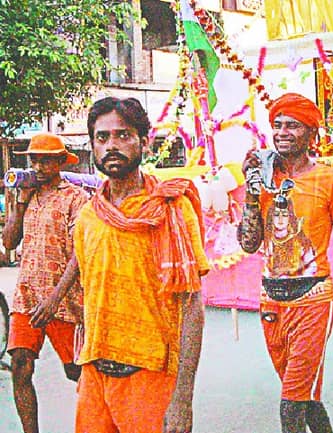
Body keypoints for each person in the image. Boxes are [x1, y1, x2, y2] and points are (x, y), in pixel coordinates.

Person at [238, 92, 333, 433]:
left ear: (312, 134)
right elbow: (248, 244)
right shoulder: (263, 178)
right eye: (277, 125)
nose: (282, 132)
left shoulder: (331, 180)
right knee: (307, 400)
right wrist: (252, 193)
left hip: (313, 301)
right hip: (271, 302)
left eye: (293, 126)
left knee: (290, 406)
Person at [72, 96, 210, 433]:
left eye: (123, 135)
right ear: (92, 146)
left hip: (151, 375)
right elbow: (88, 293)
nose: (112, 145)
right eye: (102, 137)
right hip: (94, 375)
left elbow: (192, 304)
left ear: (144, 142)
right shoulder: (88, 216)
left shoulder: (172, 209)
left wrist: (183, 398)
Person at [2, 132, 88, 433]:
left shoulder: (76, 198)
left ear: (61, 162)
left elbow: (80, 253)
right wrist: (20, 202)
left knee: (77, 371)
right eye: (34, 160)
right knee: (20, 365)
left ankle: (104, 421)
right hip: (26, 296)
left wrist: (54, 299)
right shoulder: (25, 195)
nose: (38, 167)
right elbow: (9, 242)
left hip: (64, 299)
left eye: (46, 161)